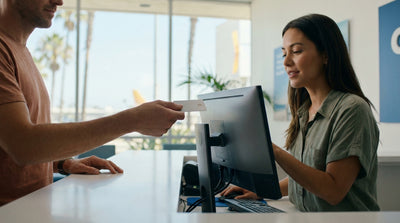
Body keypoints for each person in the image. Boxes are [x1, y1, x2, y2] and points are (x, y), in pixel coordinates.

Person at [0, 0, 185, 206]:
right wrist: (131, 120)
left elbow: (9, 148)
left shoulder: (19, 50)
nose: (59, 2)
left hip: (31, 210)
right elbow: (22, 146)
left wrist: (63, 163)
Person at [221, 14, 380, 212]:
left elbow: (333, 189)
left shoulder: (352, 110)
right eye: (284, 53)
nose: (286, 61)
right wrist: (263, 191)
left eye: (296, 51)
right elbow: (310, 175)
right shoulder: (304, 111)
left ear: (326, 55)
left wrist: (274, 151)